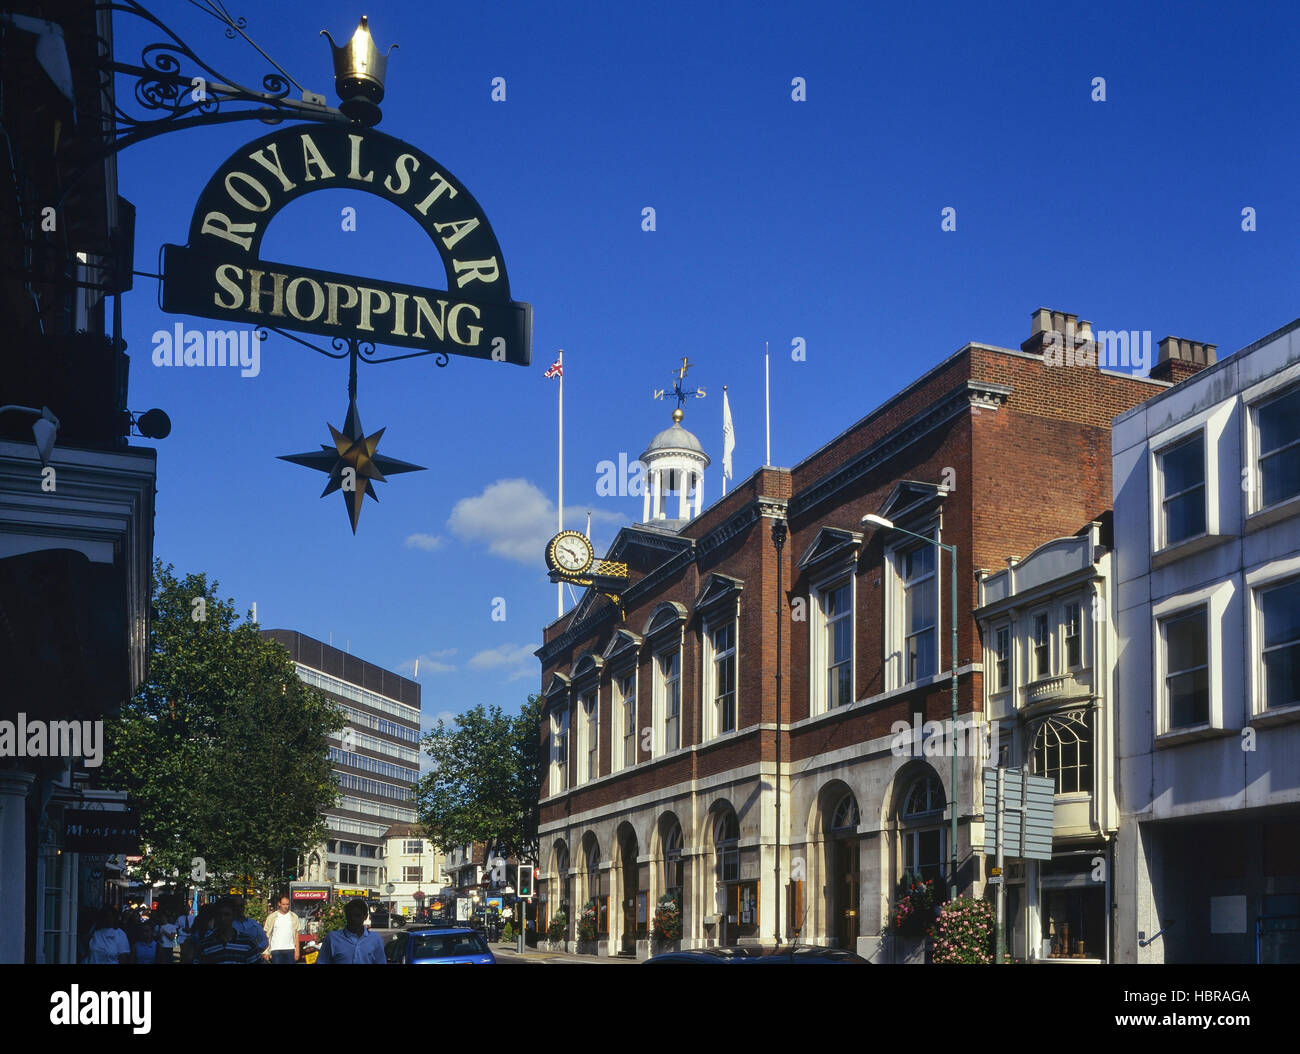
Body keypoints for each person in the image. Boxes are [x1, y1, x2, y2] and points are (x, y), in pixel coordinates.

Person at [191, 899, 263, 964]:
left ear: (233, 916)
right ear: (215, 917)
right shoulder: (205, 945)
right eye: (219, 915)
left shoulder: (247, 943)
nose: (222, 918)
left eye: (227, 915)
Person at [316, 898, 385, 964]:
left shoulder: (375, 939)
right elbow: (322, 961)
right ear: (346, 916)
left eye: (357, 915)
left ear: (365, 916)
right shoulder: (333, 938)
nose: (353, 919)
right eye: (350, 915)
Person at [262, 895, 301, 963]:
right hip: (276, 950)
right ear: (279, 904)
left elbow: (296, 934)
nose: (285, 906)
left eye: (287, 904)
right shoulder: (272, 917)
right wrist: (266, 951)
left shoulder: (294, 917)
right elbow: (267, 934)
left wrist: (297, 950)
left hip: (290, 949)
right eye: (283, 904)